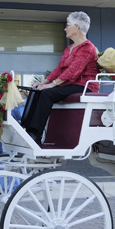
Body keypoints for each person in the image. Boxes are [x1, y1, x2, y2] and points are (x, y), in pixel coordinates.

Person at [27, 11, 99, 144]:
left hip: (84, 86)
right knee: (38, 91)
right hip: (71, 86)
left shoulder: (87, 47)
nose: (65, 28)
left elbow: (73, 71)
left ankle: (35, 135)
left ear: (76, 27)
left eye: (67, 25)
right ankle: (27, 129)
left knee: (47, 93)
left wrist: (51, 85)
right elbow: (59, 69)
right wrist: (43, 83)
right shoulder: (69, 48)